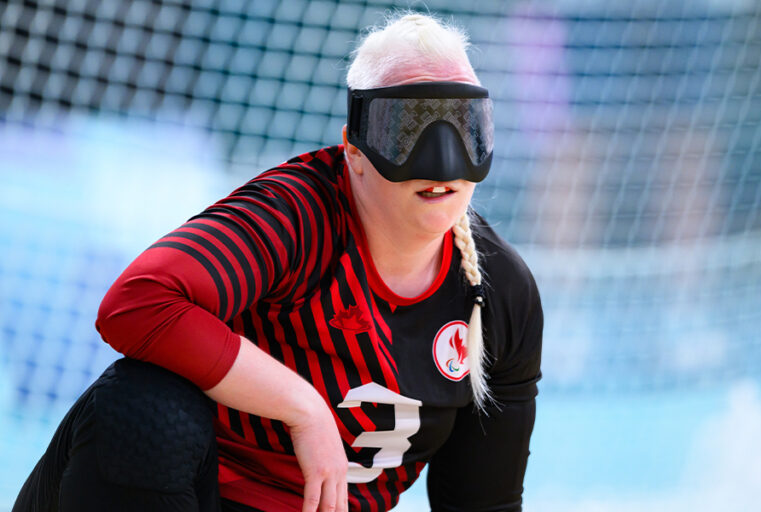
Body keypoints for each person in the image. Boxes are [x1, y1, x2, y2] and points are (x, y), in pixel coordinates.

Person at [14, 13, 543, 512]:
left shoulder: (499, 292)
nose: (443, 159)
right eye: (408, 130)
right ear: (354, 151)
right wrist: (302, 408)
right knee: (143, 404)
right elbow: (136, 302)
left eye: (465, 126)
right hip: (186, 495)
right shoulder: (295, 215)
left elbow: (483, 503)